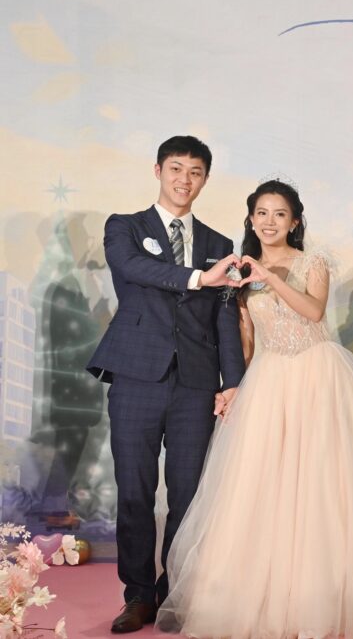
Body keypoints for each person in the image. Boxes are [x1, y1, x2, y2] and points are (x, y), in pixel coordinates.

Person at [156, 180, 353, 639]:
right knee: (262, 487)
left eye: (280, 214)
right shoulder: (238, 272)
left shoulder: (312, 262)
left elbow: (313, 312)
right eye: (261, 213)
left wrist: (269, 278)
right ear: (251, 220)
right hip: (269, 381)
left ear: (295, 221)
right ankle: (263, 600)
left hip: (318, 377)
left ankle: (327, 599)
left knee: (325, 486)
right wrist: (235, 387)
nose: (270, 222)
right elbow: (246, 337)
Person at [86, 135, 245, 634]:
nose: (184, 179)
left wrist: (233, 382)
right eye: (176, 168)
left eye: (195, 172)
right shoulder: (125, 227)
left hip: (196, 382)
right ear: (158, 171)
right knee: (134, 490)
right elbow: (132, 268)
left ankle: (172, 592)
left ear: (205, 179)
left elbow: (225, 318)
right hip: (137, 375)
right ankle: (137, 595)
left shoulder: (219, 244)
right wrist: (199, 278)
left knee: (188, 493)